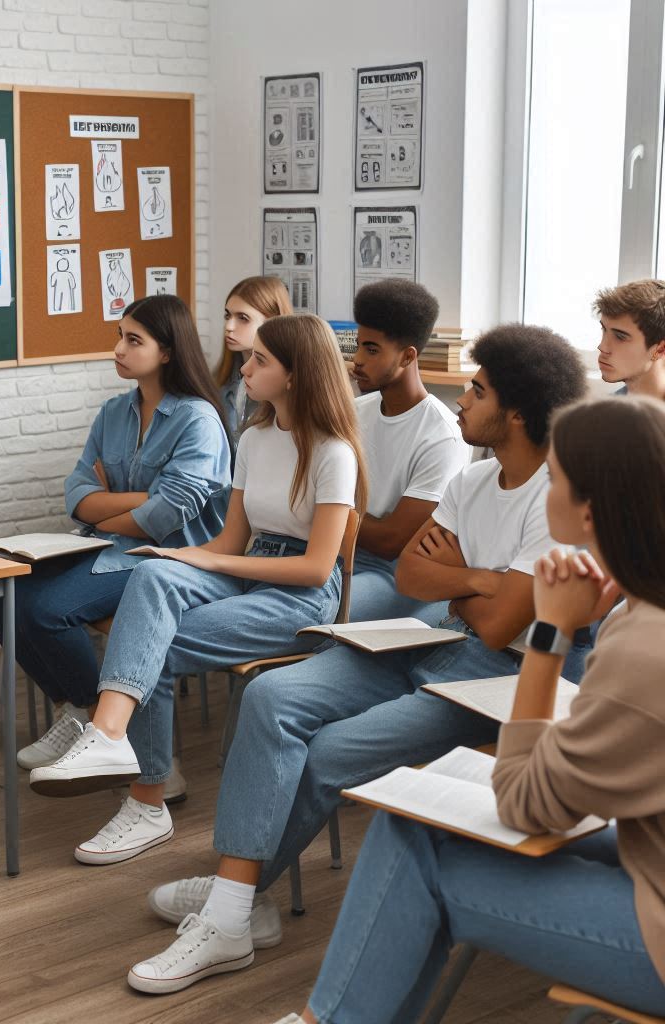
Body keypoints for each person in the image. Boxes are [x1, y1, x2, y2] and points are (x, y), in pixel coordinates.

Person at [131, 324, 590, 994]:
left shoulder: (556, 499)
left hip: (506, 679)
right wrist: (484, 581)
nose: (460, 396)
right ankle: (238, 900)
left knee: (331, 751)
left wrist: (466, 584)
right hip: (439, 640)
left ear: (517, 413)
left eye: (479, 389)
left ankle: (232, 904)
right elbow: (412, 575)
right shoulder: (474, 481)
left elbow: (498, 629)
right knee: (271, 697)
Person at [270, 395, 665, 1024]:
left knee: (418, 847)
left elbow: (527, 803)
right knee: (414, 822)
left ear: (588, 510)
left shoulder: (641, 643)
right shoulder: (637, 613)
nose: (542, 490)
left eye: (554, 479)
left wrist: (549, 635)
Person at [30, 314, 367, 869]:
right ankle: (110, 735)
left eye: (260, 359)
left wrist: (207, 559)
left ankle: (145, 798)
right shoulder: (255, 438)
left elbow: (313, 568)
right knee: (152, 575)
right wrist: (183, 557)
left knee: (151, 643)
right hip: (250, 564)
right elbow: (233, 536)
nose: (244, 365)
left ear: (297, 374)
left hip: (301, 598)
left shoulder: (334, 452)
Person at [0, 294, 230, 784]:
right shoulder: (113, 413)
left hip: (168, 559)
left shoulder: (197, 420)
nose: (118, 349)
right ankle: (83, 712)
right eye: (119, 336)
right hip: (109, 546)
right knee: (7, 597)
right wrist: (138, 499)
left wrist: (113, 506)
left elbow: (167, 517)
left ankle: (112, 732)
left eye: (133, 340)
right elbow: (77, 495)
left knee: (45, 609)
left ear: (167, 352)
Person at [348, 278, 470, 622]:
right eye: (357, 346)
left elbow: (391, 541)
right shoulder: (358, 411)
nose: (357, 360)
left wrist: (326, 510)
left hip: (391, 577)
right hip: (339, 554)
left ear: (407, 356)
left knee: (308, 606)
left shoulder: (442, 435)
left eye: (372, 350)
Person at [213, 276, 293, 442]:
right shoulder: (218, 383)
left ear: (273, 322)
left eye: (243, 318)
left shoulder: (285, 388)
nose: (229, 327)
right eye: (227, 316)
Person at [594, 279, 665, 398]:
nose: (602, 347)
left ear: (660, 350)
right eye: (604, 329)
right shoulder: (604, 412)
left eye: (620, 337)